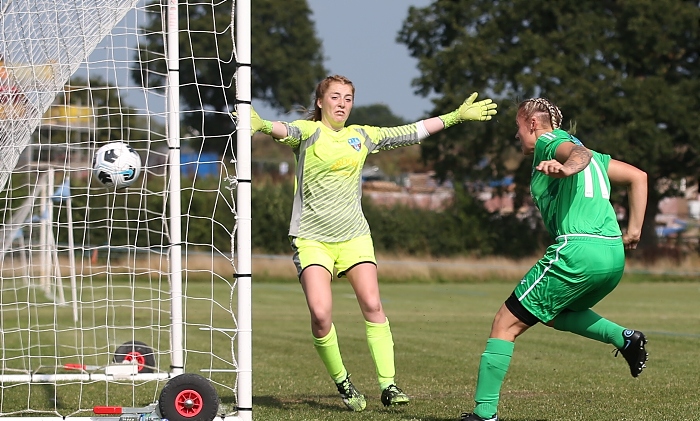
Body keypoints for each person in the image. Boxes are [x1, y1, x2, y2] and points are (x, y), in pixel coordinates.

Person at [244, 75, 498, 411]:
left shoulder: (362, 136)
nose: (341, 104)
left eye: (348, 98)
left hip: (354, 238)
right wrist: (261, 124)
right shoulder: (309, 134)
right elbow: (285, 130)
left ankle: (389, 385)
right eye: (335, 97)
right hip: (312, 240)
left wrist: (454, 117)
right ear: (320, 102)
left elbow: (411, 131)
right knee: (321, 315)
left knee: (373, 306)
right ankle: (344, 383)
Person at [459, 97, 649, 421]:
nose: (517, 136)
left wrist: (566, 167)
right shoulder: (596, 157)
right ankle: (625, 339)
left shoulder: (549, 141)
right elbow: (639, 177)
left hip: (578, 251)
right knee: (551, 312)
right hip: (613, 256)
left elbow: (579, 155)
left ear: (532, 123)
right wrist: (632, 232)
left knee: (504, 324)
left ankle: (484, 413)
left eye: (517, 128)